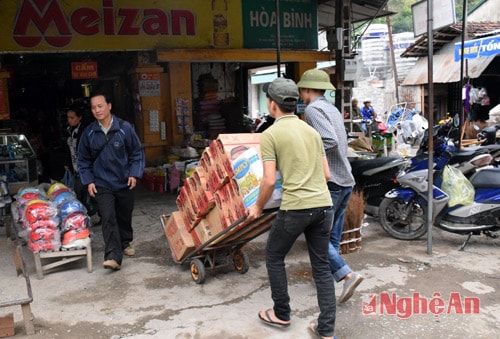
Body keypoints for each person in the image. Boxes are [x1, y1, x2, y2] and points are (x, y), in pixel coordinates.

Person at [246, 77, 336, 339]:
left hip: (296, 208)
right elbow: (327, 175)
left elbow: (269, 179)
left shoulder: (270, 135)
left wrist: (257, 207)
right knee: (321, 266)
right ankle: (326, 330)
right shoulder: (312, 132)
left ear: (272, 105)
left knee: (274, 256)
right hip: (323, 206)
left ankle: (281, 313)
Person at [297, 69, 364, 304]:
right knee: (332, 235)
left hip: (332, 181)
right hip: (345, 179)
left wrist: (308, 157)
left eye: (301, 90)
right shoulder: (332, 108)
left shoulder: (313, 110)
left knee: (317, 236)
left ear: (306, 89)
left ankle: (347, 275)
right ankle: (325, 276)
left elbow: (329, 141)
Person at [78, 90, 145, 271]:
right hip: (102, 183)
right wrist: (89, 181)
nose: (97, 110)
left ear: (109, 106)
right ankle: (113, 256)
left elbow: (136, 153)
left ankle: (125, 241)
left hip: (123, 180)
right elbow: (82, 160)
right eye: (93, 108)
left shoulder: (124, 128)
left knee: (124, 214)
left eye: (100, 106)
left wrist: (134, 173)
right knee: (107, 217)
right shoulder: (89, 133)